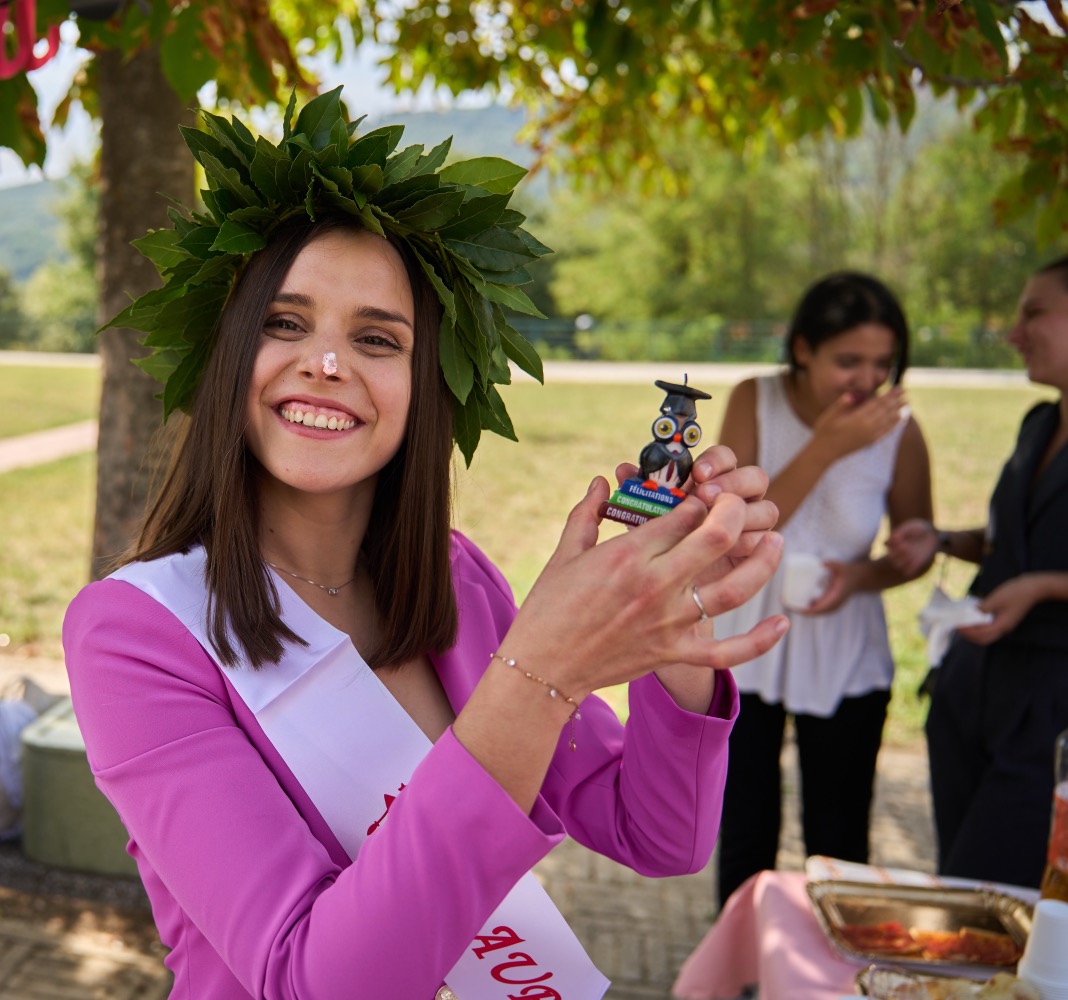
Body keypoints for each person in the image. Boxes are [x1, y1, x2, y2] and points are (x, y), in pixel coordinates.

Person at [62, 90, 789, 1000]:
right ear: (228, 357)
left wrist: (671, 625)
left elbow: (659, 837)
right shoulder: (136, 635)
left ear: (425, 389)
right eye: (286, 323)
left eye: (377, 338)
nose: (327, 362)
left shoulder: (456, 581)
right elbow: (311, 981)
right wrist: (544, 673)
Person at [711, 272, 934, 906]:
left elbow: (911, 551)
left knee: (840, 842)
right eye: (848, 361)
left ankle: (833, 977)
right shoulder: (756, 400)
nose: (866, 381)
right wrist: (829, 447)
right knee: (744, 830)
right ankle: (742, 970)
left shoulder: (900, 429)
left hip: (845, 650)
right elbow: (731, 529)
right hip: (746, 643)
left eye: (882, 364)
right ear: (803, 348)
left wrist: (865, 574)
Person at [887, 254, 1068, 888]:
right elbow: (1011, 543)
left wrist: (1043, 589)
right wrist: (942, 540)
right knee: (957, 890)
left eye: (1034, 313)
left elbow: (1039, 571)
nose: (1014, 332)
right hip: (972, 694)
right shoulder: (1039, 424)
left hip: (1050, 715)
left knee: (992, 893)